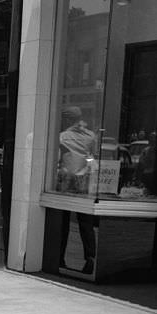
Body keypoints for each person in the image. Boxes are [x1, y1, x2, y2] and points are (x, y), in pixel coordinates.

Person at [56, 106, 97, 273]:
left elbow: (56, 159)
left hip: (66, 183)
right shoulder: (91, 136)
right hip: (84, 183)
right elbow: (92, 158)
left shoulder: (62, 137)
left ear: (67, 120)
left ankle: (59, 258)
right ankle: (91, 258)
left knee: (62, 223)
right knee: (86, 224)